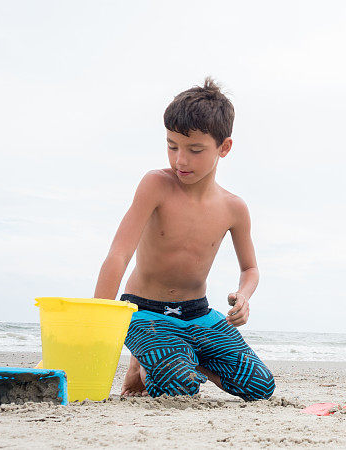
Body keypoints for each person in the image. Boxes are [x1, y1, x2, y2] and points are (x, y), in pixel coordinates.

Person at [93, 77, 275, 400]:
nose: (180, 160)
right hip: (144, 312)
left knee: (261, 386)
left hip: (199, 315)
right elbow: (118, 256)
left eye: (194, 150)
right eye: (171, 146)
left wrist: (244, 296)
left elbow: (251, 269)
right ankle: (143, 363)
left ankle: (186, 357)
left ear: (224, 147)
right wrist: (98, 330)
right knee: (177, 387)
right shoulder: (156, 185)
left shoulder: (234, 208)